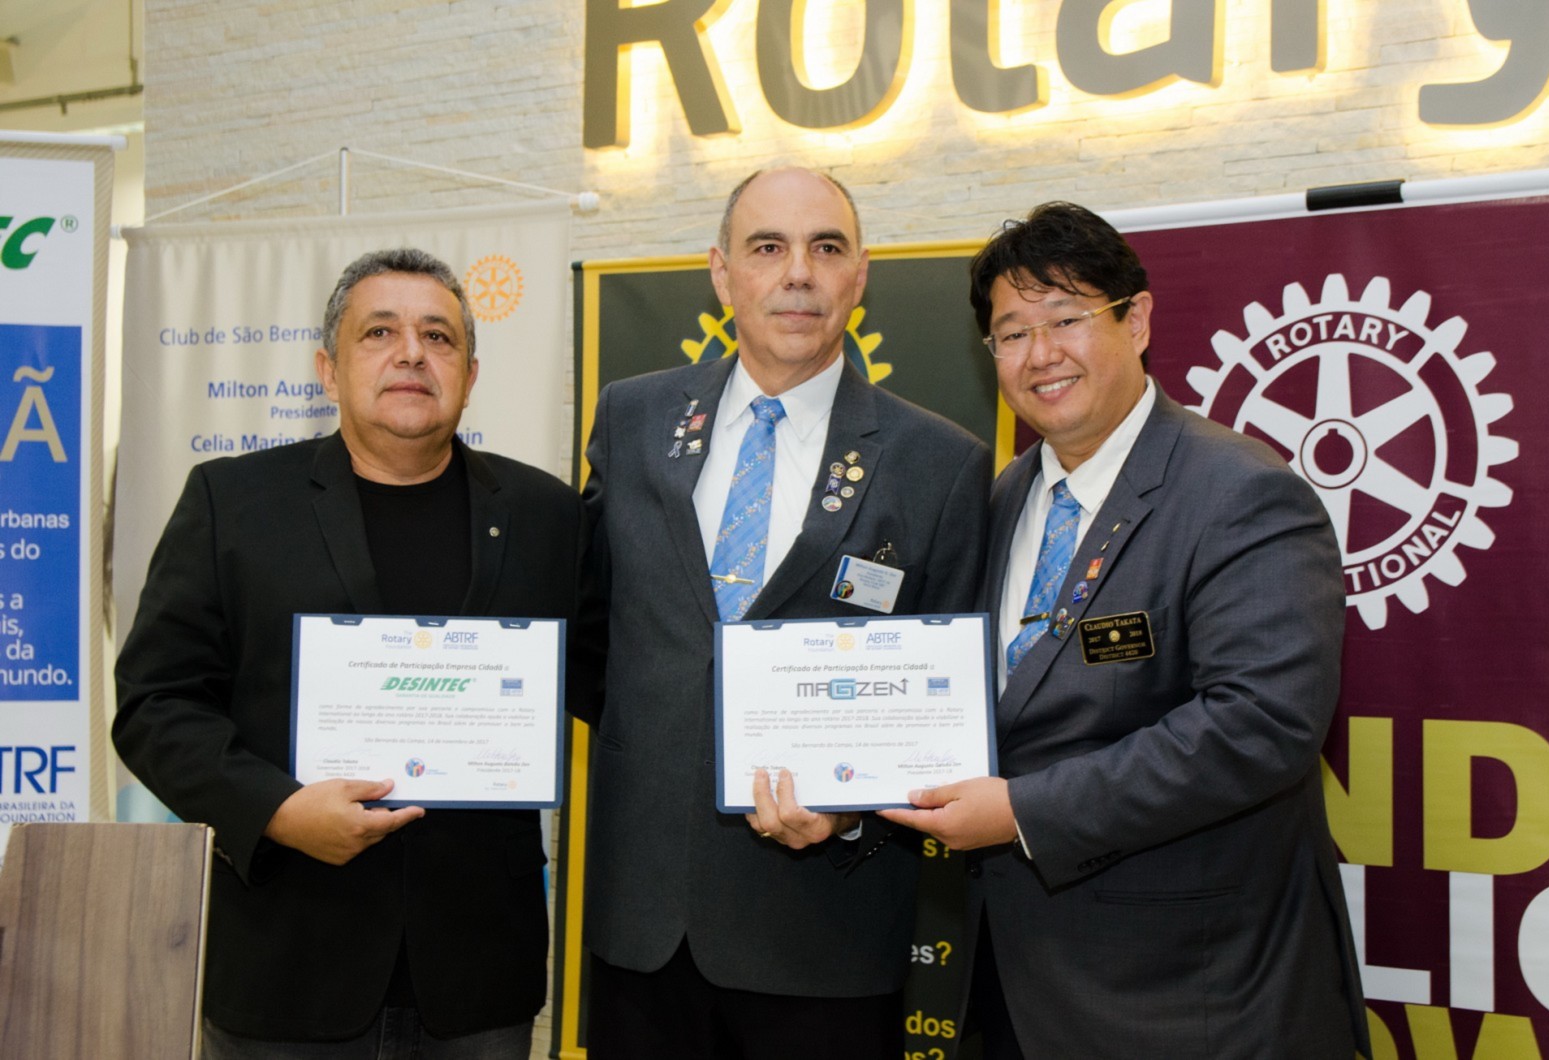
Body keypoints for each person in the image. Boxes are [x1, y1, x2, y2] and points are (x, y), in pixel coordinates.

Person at [881, 203, 1370, 1058]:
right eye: (1012, 333)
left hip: (1191, 996)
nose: (1040, 354)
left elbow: (1260, 726)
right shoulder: (1001, 497)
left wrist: (1023, 812)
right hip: (1015, 983)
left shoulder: (1242, 494)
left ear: (1136, 319)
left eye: (1066, 318)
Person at [114, 248, 581, 1056]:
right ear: (328, 371)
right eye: (380, 333)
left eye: (438, 336)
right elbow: (155, 704)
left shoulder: (548, 515)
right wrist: (276, 810)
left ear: (470, 375)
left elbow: (614, 679)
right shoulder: (233, 502)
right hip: (288, 963)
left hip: (477, 979)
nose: (412, 353)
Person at [574, 166, 991, 1058]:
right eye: (768, 247)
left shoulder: (940, 463)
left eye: (825, 248)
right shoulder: (633, 418)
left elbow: (949, 707)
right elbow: (594, 637)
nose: (798, 272)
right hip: (642, 925)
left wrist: (851, 808)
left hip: (825, 938)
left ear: (859, 276)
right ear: (721, 273)